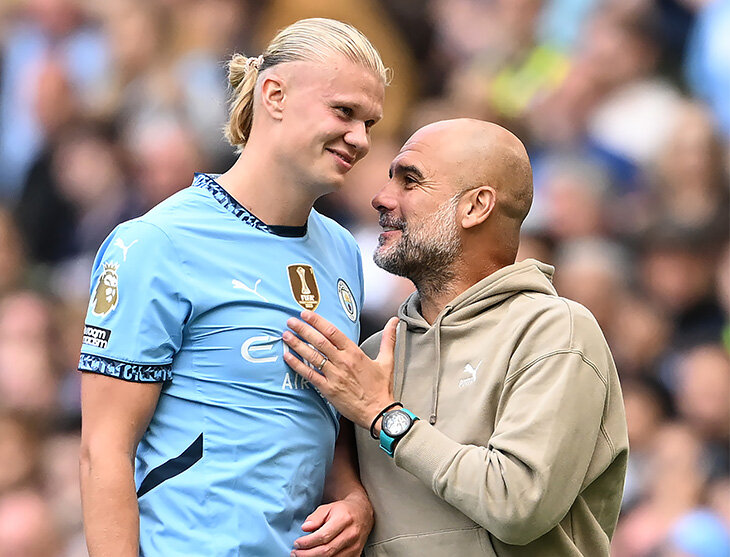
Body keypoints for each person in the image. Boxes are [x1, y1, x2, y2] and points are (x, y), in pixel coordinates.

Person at [78, 18, 387, 557]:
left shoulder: (343, 251)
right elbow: (103, 452)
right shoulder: (157, 243)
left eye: (369, 122)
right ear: (274, 95)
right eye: (344, 112)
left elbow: (322, 411)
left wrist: (353, 497)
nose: (360, 138)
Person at [282, 118, 629, 556]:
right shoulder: (371, 358)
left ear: (475, 207)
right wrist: (350, 501)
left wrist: (384, 416)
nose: (381, 197)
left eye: (410, 181)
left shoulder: (556, 329)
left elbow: (518, 504)